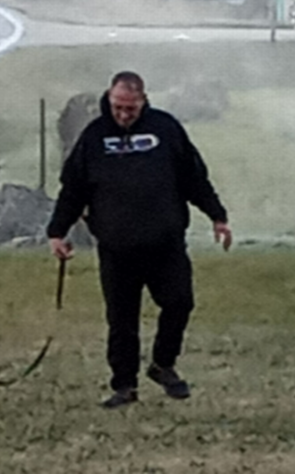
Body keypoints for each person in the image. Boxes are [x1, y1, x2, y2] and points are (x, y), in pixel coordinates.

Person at [46, 71, 233, 409]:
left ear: (143, 101)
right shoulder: (94, 137)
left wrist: (217, 216)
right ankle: (124, 387)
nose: (123, 114)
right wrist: (57, 232)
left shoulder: (166, 129)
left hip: (166, 244)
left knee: (180, 303)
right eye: (118, 107)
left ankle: (163, 365)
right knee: (122, 321)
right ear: (109, 98)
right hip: (117, 249)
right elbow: (73, 189)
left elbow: (194, 178)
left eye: (130, 108)